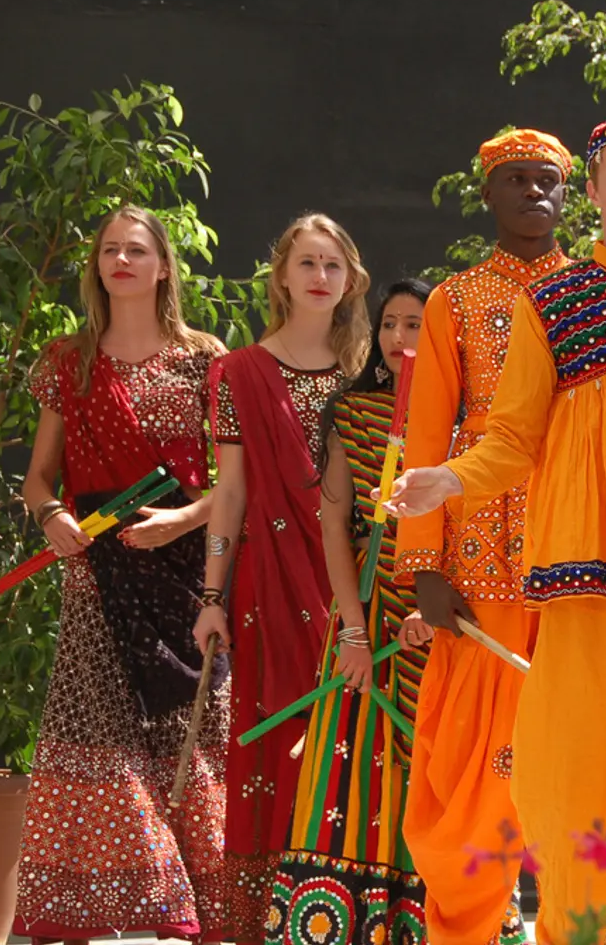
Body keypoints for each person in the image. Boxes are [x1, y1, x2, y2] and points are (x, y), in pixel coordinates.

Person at [385, 114, 606, 942]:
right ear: (596, 195)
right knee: (572, 786)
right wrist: (440, 492)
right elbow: (507, 438)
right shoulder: (544, 303)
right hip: (579, 580)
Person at [14, 206, 228, 943]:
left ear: (165, 266)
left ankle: (199, 910)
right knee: (95, 733)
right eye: (111, 249)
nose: (123, 260)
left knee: (188, 736)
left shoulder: (205, 357)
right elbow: (40, 479)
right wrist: (52, 520)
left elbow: (235, 481)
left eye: (138, 249)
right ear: (97, 266)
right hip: (97, 577)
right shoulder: (66, 362)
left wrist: (181, 522)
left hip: (186, 576)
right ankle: (119, 907)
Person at [397, 129, 572, 945]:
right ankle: (463, 930)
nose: (534, 194)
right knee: (469, 768)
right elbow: (427, 436)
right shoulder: (454, 300)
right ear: (489, 195)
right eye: (516, 181)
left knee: (583, 746)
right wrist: (424, 563)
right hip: (477, 564)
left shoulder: (593, 290)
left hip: (580, 551)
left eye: (548, 182)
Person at [193, 213, 372, 945]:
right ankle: (266, 917)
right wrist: (211, 597)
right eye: (308, 263)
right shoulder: (237, 373)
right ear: (282, 276)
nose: (321, 277)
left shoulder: (371, 370)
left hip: (357, 581)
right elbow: (230, 491)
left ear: (352, 278)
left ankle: (350, 903)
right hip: (268, 587)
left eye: (333, 264)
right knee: (272, 745)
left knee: (355, 738)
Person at [267, 278, 437, 945]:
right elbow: (335, 526)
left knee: (431, 770)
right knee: (357, 765)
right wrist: (357, 632)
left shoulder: (462, 419)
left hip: (434, 619)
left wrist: (436, 605)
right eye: (391, 324)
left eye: (417, 325)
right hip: (365, 620)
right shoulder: (355, 413)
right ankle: (337, 925)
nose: (401, 339)